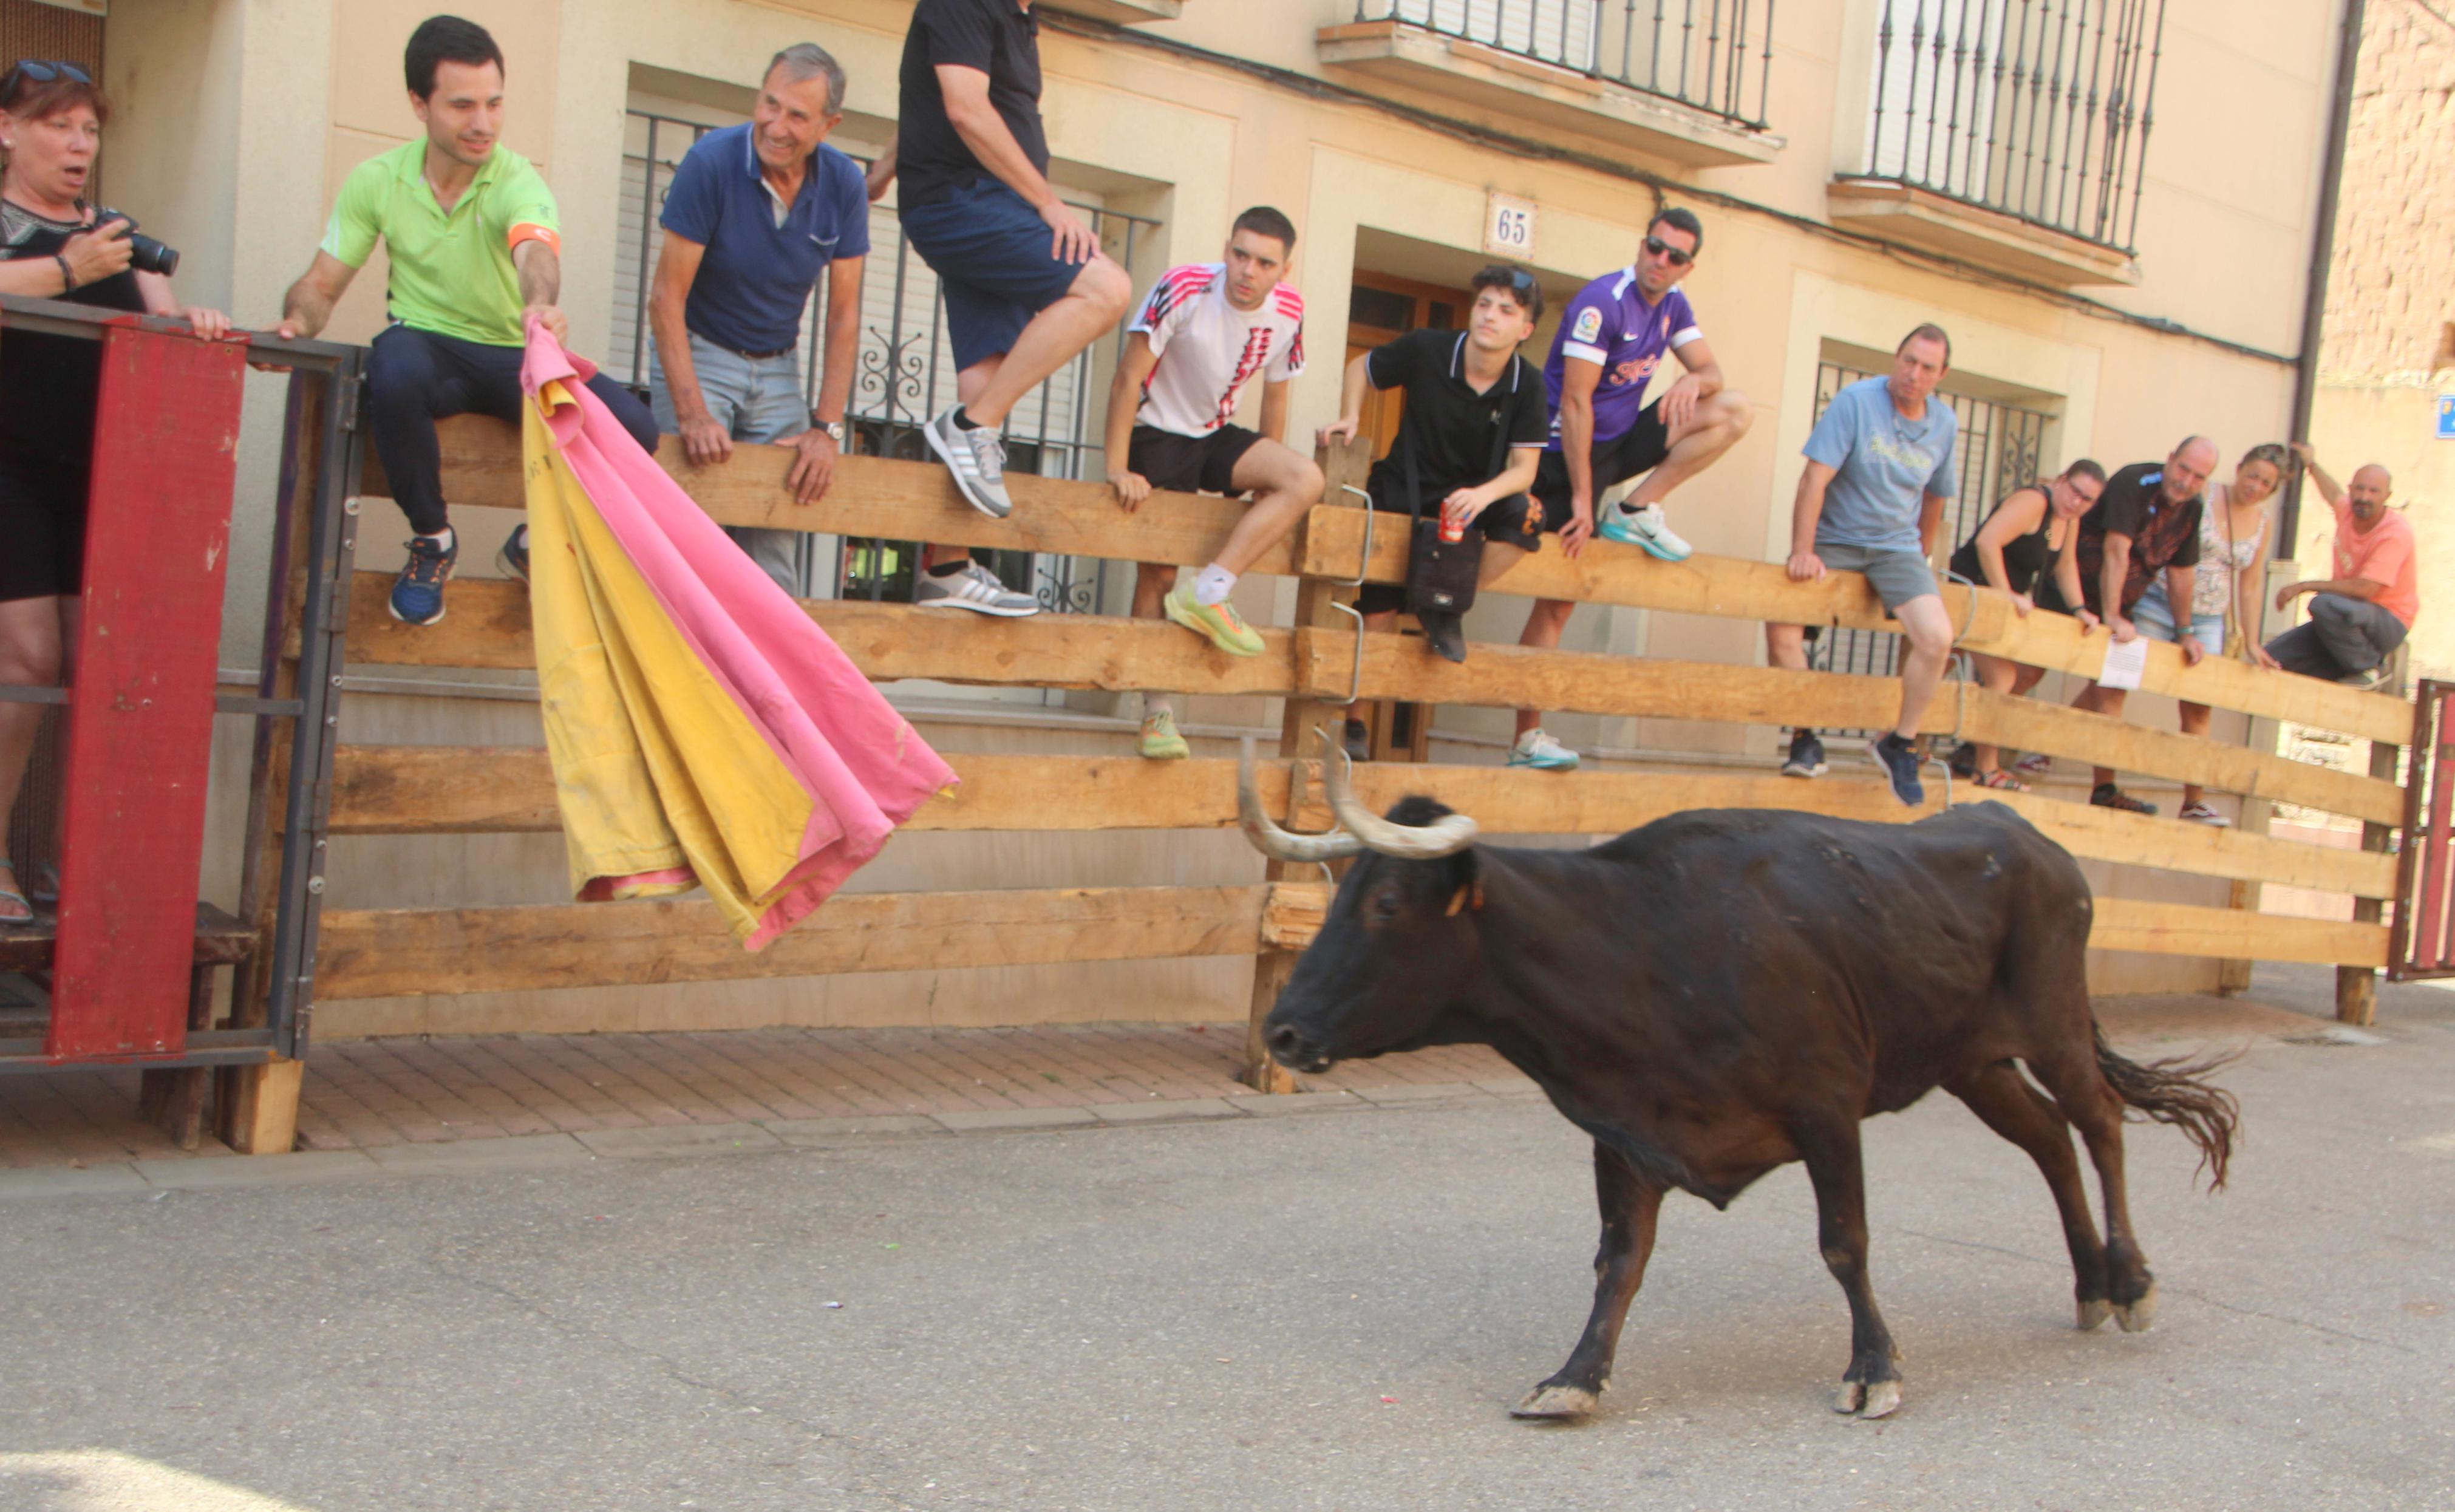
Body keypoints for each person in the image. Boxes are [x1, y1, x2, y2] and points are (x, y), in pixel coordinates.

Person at [270, 15, 661, 627]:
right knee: (391, 367)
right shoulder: (377, 181)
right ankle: (432, 540)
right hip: (429, 349)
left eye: (494, 104)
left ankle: (536, 542)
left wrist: (540, 303)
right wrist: (295, 325)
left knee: (636, 428)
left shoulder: (516, 179)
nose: (483, 123)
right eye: (462, 106)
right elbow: (321, 286)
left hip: (513, 355)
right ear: (419, 104)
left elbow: (535, 253)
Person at [0, 60, 230, 923]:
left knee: (98, 665)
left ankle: (78, 860)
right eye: (57, 124)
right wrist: (67, 269)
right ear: (8, 130)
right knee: (27, 659)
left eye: (89, 129)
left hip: (102, 471)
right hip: (8, 468)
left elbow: (164, 320)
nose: (78, 145)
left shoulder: (117, 233)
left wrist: (197, 324)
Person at [868, 0, 1132, 615]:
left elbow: (930, 93)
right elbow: (964, 107)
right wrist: (1048, 203)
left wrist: (885, 165)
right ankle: (967, 427)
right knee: (1106, 289)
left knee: (986, 381)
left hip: (986, 203)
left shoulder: (1017, 16)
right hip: (963, 201)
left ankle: (947, 568)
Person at [1507, 208, 1753, 772]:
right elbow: (1575, 404)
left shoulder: (1673, 305)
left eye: (1674, 256)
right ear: (1641, 246)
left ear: (1687, 267)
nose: (1659, 261)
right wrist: (1580, 498)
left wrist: (1693, 380)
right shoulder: (1602, 302)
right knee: (1556, 597)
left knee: (1733, 409)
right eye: (1654, 247)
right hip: (1558, 454)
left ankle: (1636, 508)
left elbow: (1712, 371)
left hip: (1614, 447)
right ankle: (1526, 738)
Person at [648, 44, 866, 598]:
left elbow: (844, 315)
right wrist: (692, 413)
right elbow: (666, 297)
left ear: (829, 125)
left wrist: (826, 430)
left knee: (776, 533)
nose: (775, 126)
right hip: (701, 351)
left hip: (778, 367)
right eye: (770, 104)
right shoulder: (711, 162)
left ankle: (766, 656)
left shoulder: (843, 183)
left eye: (797, 115)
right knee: (689, 525)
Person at [1104, 208, 1320, 760]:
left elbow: (1276, 392)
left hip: (1214, 434)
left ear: (1284, 269)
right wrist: (1118, 466)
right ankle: (1156, 714)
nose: (1248, 270)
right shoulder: (1183, 286)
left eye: (1264, 262)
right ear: (1226, 250)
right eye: (1240, 255)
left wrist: (1265, 475)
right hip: (1156, 432)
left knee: (1303, 478)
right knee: (1158, 573)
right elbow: (1128, 376)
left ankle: (1210, 590)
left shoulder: (1289, 310)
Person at [1318, 265, 1550, 755]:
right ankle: (1355, 723)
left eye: (1506, 310)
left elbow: (1525, 470)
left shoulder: (1528, 384)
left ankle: (1443, 599)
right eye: (1483, 304)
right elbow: (1361, 368)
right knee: (1378, 613)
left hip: (1469, 502)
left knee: (1528, 517)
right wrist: (1351, 415)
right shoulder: (1428, 347)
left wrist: (1483, 495)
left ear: (1525, 329)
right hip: (1403, 488)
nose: (1489, 316)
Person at [1767, 325, 1960, 807]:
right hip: (1834, 540)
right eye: (1908, 361)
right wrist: (1802, 549)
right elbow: (1813, 479)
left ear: (1941, 375)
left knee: (1937, 638)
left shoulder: (1944, 424)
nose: (1913, 374)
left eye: (1927, 368)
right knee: (1781, 628)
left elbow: (1936, 496)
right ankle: (1805, 737)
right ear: (1896, 357)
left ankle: (1900, 742)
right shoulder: (1855, 402)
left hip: (1896, 549)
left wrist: (1922, 555)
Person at [2032, 437, 2219, 815]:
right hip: (2071, 591)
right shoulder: (2135, 482)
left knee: (2114, 686)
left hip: (2117, 605)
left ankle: (2104, 788)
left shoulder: (2193, 509)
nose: (2186, 482)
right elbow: (2116, 551)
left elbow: (2182, 573)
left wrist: (2185, 632)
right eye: (2183, 469)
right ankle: (1979, 754)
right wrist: (2113, 615)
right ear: (2170, 458)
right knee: (2026, 671)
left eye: (2198, 477)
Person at [2126, 443, 2286, 823]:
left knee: (2199, 705)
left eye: (2266, 484)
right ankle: (2048, 750)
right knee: (2121, 675)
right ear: (2239, 468)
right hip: (2160, 599)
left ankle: (2194, 801)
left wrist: (2252, 640)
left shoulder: (2262, 523)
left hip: (2210, 617)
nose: (2256, 487)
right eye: (2253, 476)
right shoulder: (2204, 495)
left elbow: (2250, 585)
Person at [1943, 460, 2107, 789]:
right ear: (2061, 480)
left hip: (1992, 605)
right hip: (1968, 593)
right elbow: (1987, 542)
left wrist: (2079, 610)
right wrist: (2005, 594)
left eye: (2087, 499)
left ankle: (1902, 743)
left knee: (1945, 666)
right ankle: (1985, 768)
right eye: (2075, 491)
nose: (2077, 502)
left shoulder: (2068, 520)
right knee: (1999, 675)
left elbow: (2065, 565)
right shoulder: (2034, 501)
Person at [2258, 449, 2417, 690]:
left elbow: (2365, 589)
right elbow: (2332, 493)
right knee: (2269, 658)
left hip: (2388, 621)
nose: (2364, 497)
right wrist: (2311, 464)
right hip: (2346, 620)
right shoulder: (2349, 512)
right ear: (2351, 489)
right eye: (2359, 489)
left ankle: (2367, 668)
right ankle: (2347, 669)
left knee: (2324, 605)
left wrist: (2304, 586)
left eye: (2373, 491)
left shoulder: (2395, 533)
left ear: (2387, 496)